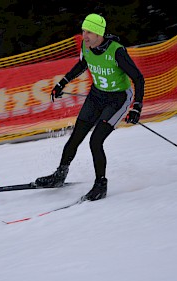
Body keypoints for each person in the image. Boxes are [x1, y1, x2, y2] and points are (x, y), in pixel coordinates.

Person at [35, 13, 145, 201]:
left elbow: (138, 78)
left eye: (89, 32)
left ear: (99, 34)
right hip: (96, 95)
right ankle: (59, 175)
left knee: (95, 141)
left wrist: (136, 107)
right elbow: (82, 64)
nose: (85, 36)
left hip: (118, 99)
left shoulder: (116, 51)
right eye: (83, 31)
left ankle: (100, 184)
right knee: (76, 136)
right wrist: (62, 83)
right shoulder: (86, 47)